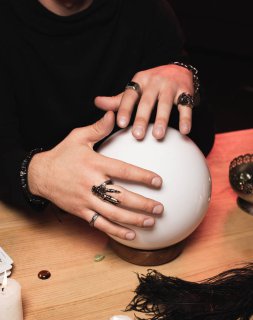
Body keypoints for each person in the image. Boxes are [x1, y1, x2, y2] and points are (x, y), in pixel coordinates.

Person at [0, 0, 215, 242]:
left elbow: (197, 142)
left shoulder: (147, 9)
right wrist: (39, 174)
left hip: (145, 223)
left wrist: (185, 78)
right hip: (41, 229)